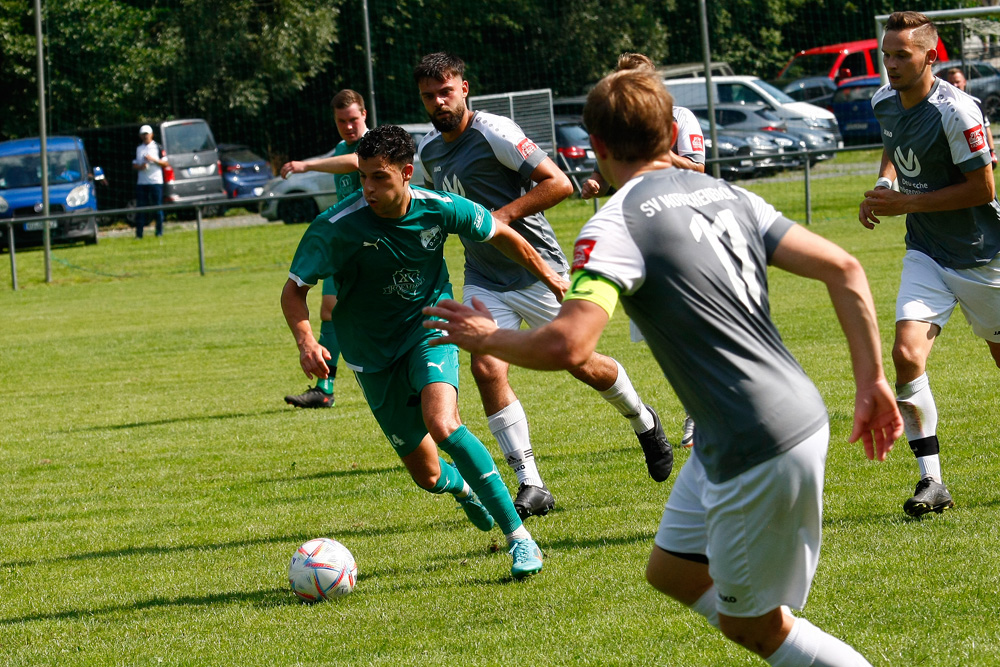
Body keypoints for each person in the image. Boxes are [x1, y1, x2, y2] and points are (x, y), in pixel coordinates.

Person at [424, 68, 902, 666]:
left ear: (596, 147)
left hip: (753, 437)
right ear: (674, 130)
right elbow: (847, 270)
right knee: (671, 569)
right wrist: (872, 382)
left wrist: (486, 336)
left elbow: (570, 346)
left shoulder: (616, 224)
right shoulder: (729, 193)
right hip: (770, 417)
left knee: (755, 627)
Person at [280, 124, 560, 578]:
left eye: (379, 177)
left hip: (429, 330)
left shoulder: (438, 207)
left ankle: (519, 539)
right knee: (428, 477)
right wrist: (307, 340)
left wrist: (550, 276)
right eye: (363, 176)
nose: (368, 188)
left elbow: (501, 233)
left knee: (443, 423)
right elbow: (294, 292)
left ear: (407, 173)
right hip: (370, 354)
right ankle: (464, 489)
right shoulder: (335, 227)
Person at [414, 53, 674, 521]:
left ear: (464, 88)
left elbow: (559, 184)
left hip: (538, 270)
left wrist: (503, 216)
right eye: (429, 96)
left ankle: (643, 419)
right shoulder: (427, 151)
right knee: (487, 368)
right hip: (484, 276)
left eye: (445, 91)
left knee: (579, 362)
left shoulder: (494, 132)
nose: (439, 102)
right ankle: (531, 482)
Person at [860, 11, 1000, 518]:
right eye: (886, 54)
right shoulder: (882, 101)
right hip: (926, 253)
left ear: (930, 56)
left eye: (902, 54)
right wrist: (886, 187)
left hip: (984, 257)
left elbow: (984, 188)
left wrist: (908, 204)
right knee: (905, 355)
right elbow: (893, 148)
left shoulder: (957, 111)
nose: (891, 64)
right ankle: (931, 480)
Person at [581, 52, 704, 448]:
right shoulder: (613, 127)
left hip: (682, 227)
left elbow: (697, 168)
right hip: (638, 232)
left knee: (691, 328)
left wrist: (652, 148)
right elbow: (607, 168)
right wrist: (595, 180)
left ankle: (701, 417)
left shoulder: (680, 118)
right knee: (665, 335)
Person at [282, 89, 370, 409]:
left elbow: (355, 162)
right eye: (341, 121)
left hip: (372, 244)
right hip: (344, 245)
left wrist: (306, 166)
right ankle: (325, 387)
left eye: (353, 119)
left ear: (364, 116)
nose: (348, 126)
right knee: (329, 310)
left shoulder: (371, 145)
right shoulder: (340, 147)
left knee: (372, 313)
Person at [941, 66, 997, 165]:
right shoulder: (941, 106)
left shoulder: (975, 103)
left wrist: (992, 152)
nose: (955, 85)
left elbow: (986, 127)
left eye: (957, 82)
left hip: (976, 153)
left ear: (964, 82)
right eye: (951, 83)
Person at [132, 124, 168, 239]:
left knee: (157, 207)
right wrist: (140, 167)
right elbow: (134, 164)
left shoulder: (158, 147)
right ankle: (139, 234)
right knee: (141, 209)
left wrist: (153, 160)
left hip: (156, 181)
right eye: (143, 134)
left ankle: (159, 232)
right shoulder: (138, 148)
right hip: (142, 183)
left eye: (147, 134)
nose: (145, 136)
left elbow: (165, 163)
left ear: (151, 134)